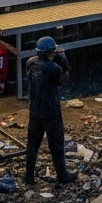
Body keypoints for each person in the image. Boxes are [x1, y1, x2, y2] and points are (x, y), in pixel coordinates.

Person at [24, 36, 78, 185]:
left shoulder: (30, 63)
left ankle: (29, 176)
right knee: (56, 144)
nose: (53, 54)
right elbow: (64, 79)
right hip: (51, 111)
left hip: (35, 110)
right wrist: (64, 61)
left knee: (33, 144)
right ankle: (62, 175)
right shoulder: (53, 68)